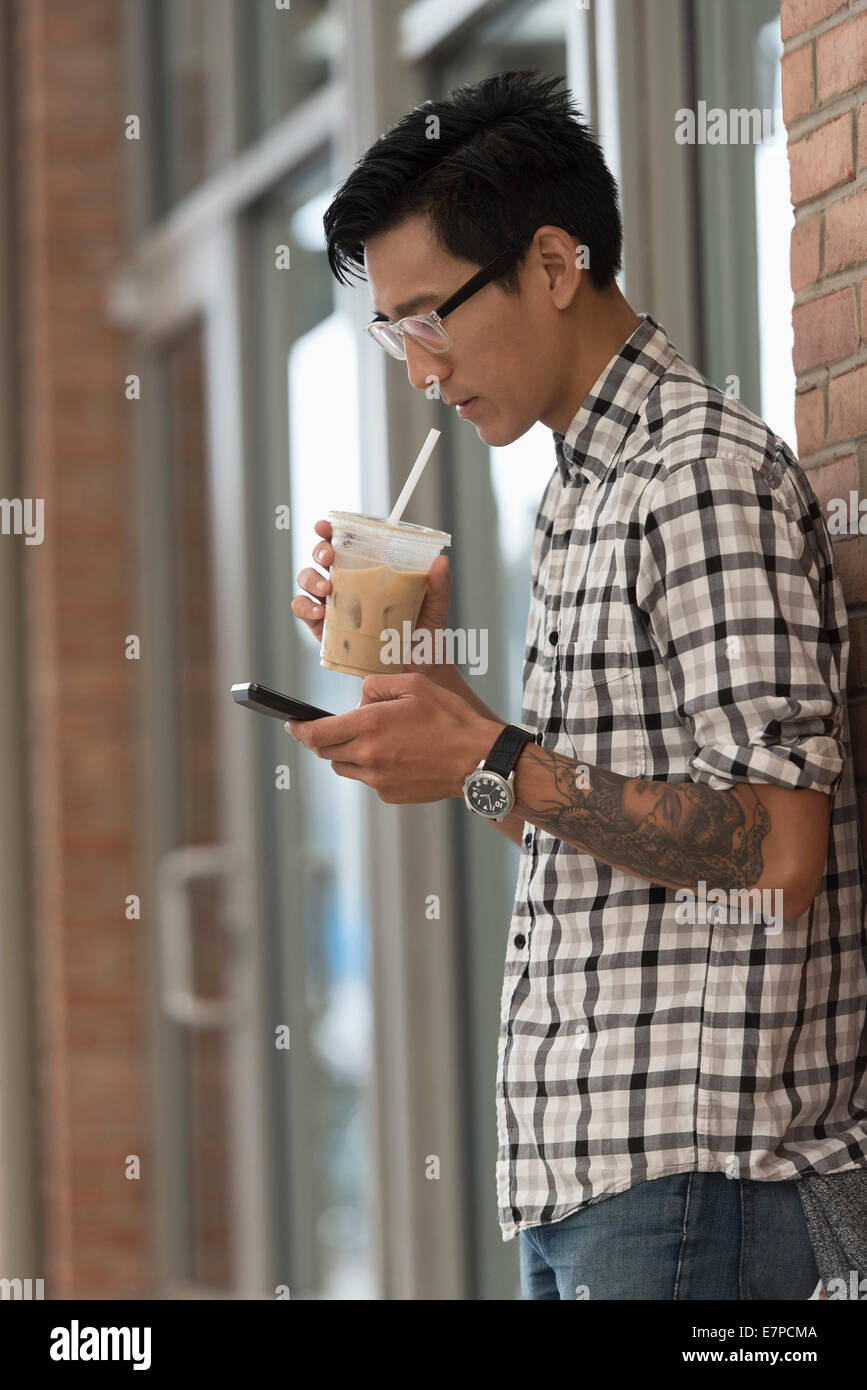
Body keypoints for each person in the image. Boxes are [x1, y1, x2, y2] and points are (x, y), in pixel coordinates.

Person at [290, 70, 867, 1300]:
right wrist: (431, 710)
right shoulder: (576, 497)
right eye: (395, 335)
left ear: (554, 263)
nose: (418, 370)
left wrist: (491, 755)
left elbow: (778, 850)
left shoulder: (697, 476)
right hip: (597, 1177)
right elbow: (598, 844)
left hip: (699, 1184)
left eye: (427, 319)